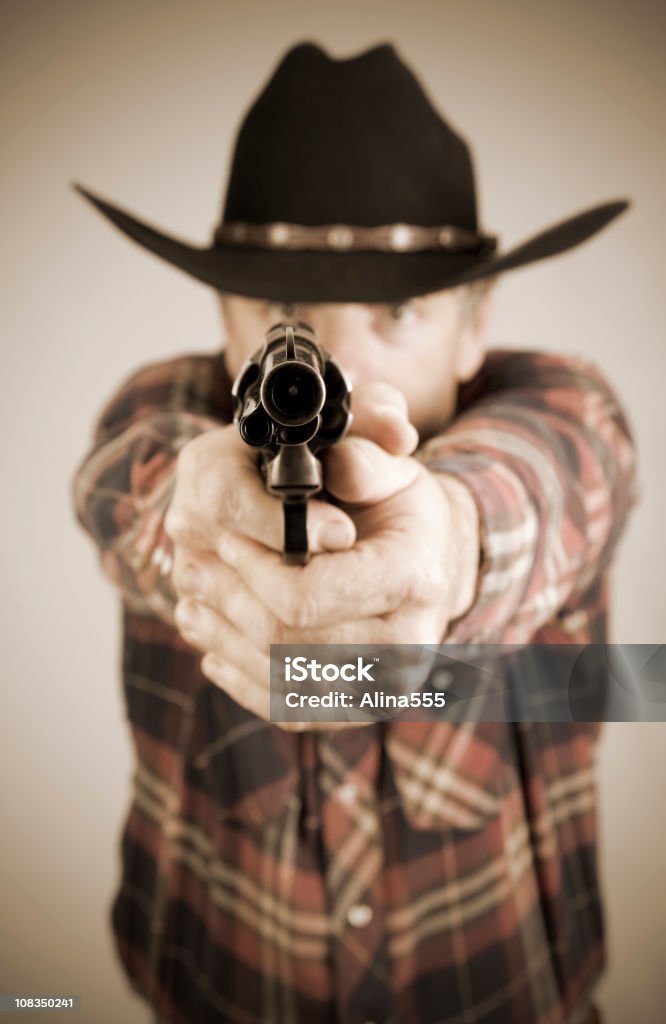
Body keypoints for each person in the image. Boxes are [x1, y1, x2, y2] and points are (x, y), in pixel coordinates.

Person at [72, 41, 637, 1024]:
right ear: (223, 314)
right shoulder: (161, 411)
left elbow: (554, 471)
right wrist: (197, 527)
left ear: (474, 324)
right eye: (285, 312)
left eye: (398, 313)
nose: (338, 365)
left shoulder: (559, 405)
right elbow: (126, 483)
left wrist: (452, 543)